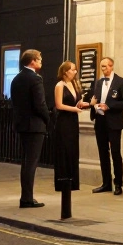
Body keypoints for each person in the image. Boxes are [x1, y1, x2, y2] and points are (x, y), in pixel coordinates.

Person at [10, 49, 51, 209]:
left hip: (22, 124)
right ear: (32, 61)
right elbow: (40, 104)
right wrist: (48, 120)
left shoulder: (16, 79)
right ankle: (27, 198)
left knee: (26, 162)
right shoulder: (35, 79)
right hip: (34, 126)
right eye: (39, 59)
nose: (41, 61)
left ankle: (25, 196)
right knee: (31, 163)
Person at [84, 56, 123, 195]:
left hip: (114, 122)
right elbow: (94, 99)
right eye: (101, 66)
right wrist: (91, 104)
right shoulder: (98, 82)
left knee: (115, 153)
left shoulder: (121, 82)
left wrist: (109, 106)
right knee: (103, 153)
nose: (103, 69)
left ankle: (118, 184)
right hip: (100, 121)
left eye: (105, 66)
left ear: (111, 66)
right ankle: (106, 183)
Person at [52, 61, 90, 194]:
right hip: (64, 121)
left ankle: (73, 181)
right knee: (64, 149)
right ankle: (62, 181)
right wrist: (74, 109)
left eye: (75, 70)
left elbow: (76, 102)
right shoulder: (60, 85)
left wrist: (82, 104)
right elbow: (59, 105)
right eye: (72, 70)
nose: (75, 72)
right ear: (65, 71)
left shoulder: (73, 84)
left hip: (73, 120)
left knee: (73, 149)